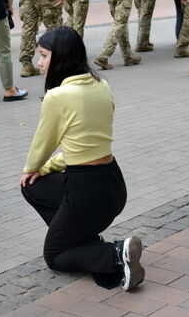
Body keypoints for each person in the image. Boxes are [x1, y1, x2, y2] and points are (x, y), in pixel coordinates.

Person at [20, 27, 144, 292]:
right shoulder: (101, 84)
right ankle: (82, 235)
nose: (39, 63)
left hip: (85, 190)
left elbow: (42, 144)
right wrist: (46, 169)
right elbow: (83, 146)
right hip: (113, 184)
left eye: (43, 56)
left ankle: (113, 254)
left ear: (61, 57)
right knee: (35, 185)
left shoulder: (58, 96)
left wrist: (32, 168)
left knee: (54, 256)